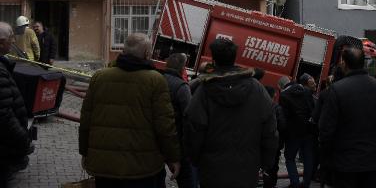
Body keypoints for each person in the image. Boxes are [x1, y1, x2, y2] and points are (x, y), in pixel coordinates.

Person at [79, 33, 180, 188]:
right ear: (147, 54)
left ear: (123, 51)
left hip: (105, 167)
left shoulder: (99, 77)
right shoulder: (156, 80)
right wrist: (173, 157)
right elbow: (165, 126)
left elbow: (86, 120)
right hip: (144, 169)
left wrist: (85, 152)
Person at [184, 38, 278, 188]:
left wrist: (194, 158)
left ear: (214, 60)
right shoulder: (257, 88)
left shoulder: (204, 90)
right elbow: (270, 130)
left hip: (212, 170)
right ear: (235, 57)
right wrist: (266, 161)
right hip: (247, 169)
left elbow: (194, 128)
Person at [319, 46, 376, 188]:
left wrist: (327, 157)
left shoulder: (337, 89)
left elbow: (326, 130)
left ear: (344, 64)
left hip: (344, 163)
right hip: (373, 161)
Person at [0, 22, 32, 188]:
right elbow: (3, 114)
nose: (13, 41)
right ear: (1, 42)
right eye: (11, 38)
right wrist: (23, 138)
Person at [163, 53, 196, 188]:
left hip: (157, 140)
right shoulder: (182, 87)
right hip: (177, 143)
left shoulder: (158, 80)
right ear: (183, 68)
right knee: (187, 181)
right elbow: (189, 117)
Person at [279, 75, 315, 188]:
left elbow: (283, 117)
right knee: (308, 158)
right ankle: (306, 183)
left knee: (290, 158)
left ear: (280, 87)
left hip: (293, 133)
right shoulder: (307, 91)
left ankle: (295, 183)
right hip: (308, 130)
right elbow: (312, 110)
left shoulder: (284, 95)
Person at [263, 85, 286, 188]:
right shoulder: (277, 108)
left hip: (259, 142)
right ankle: (270, 184)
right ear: (274, 95)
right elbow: (282, 125)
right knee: (272, 166)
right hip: (274, 143)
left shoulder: (258, 106)